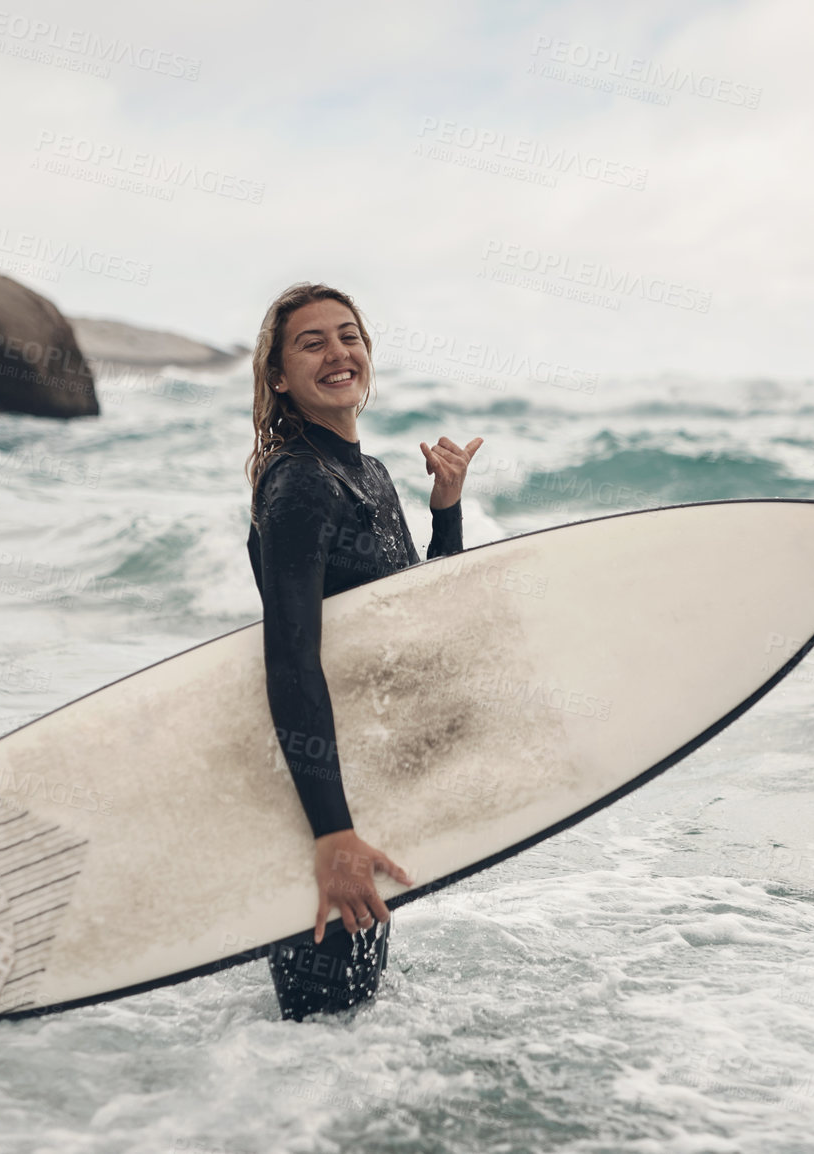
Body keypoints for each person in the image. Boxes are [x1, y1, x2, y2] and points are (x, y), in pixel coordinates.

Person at [244, 282, 482, 1020]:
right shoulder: (298, 485)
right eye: (312, 342)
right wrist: (332, 833)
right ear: (280, 377)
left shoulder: (368, 475)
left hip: (356, 775)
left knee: (344, 1019)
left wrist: (446, 511)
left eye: (349, 336)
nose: (339, 352)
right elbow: (289, 658)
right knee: (324, 1018)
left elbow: (415, 622)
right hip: (323, 795)